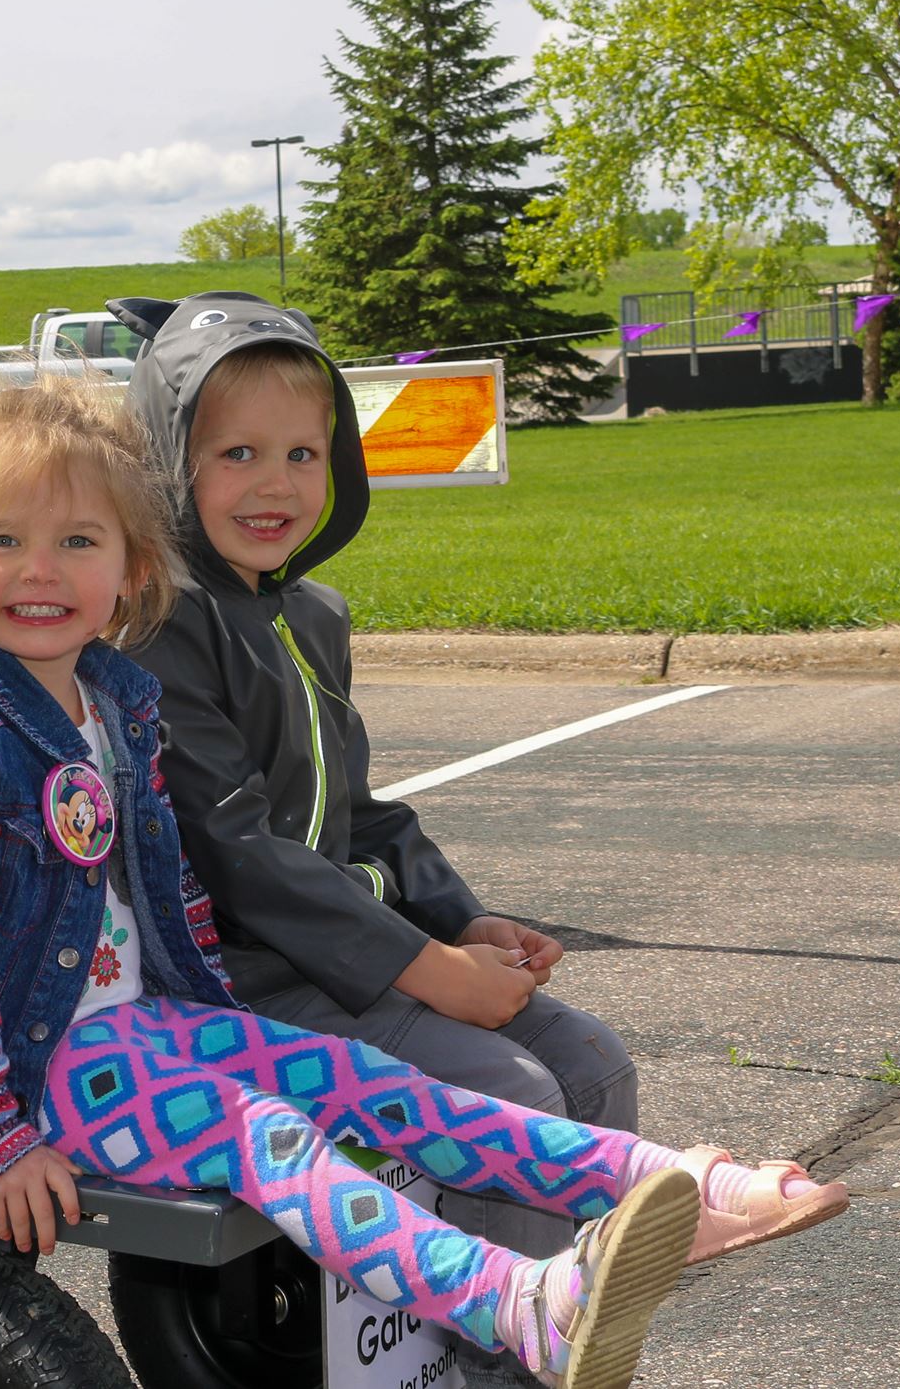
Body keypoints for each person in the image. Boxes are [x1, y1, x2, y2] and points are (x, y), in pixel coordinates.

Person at [0, 379, 847, 1388]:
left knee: (364, 1080)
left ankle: (675, 1185)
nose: (37, 571)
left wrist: (239, 1037)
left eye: (77, 543)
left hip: (128, 1027)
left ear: (133, 570)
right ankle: (513, 1303)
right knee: (267, 1133)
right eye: (1, 540)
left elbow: (165, 888)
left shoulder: (108, 698)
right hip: (26, 1065)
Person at [122, 293, 655, 1278]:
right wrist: (431, 971)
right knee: (516, 1096)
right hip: (241, 981)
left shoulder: (310, 613)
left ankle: (573, 1333)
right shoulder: (164, 627)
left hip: (347, 959)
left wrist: (457, 920)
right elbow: (244, 859)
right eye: (233, 454)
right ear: (166, 463)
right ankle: (496, 1351)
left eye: (300, 453)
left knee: (593, 1066)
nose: (271, 483)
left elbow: (359, 813)